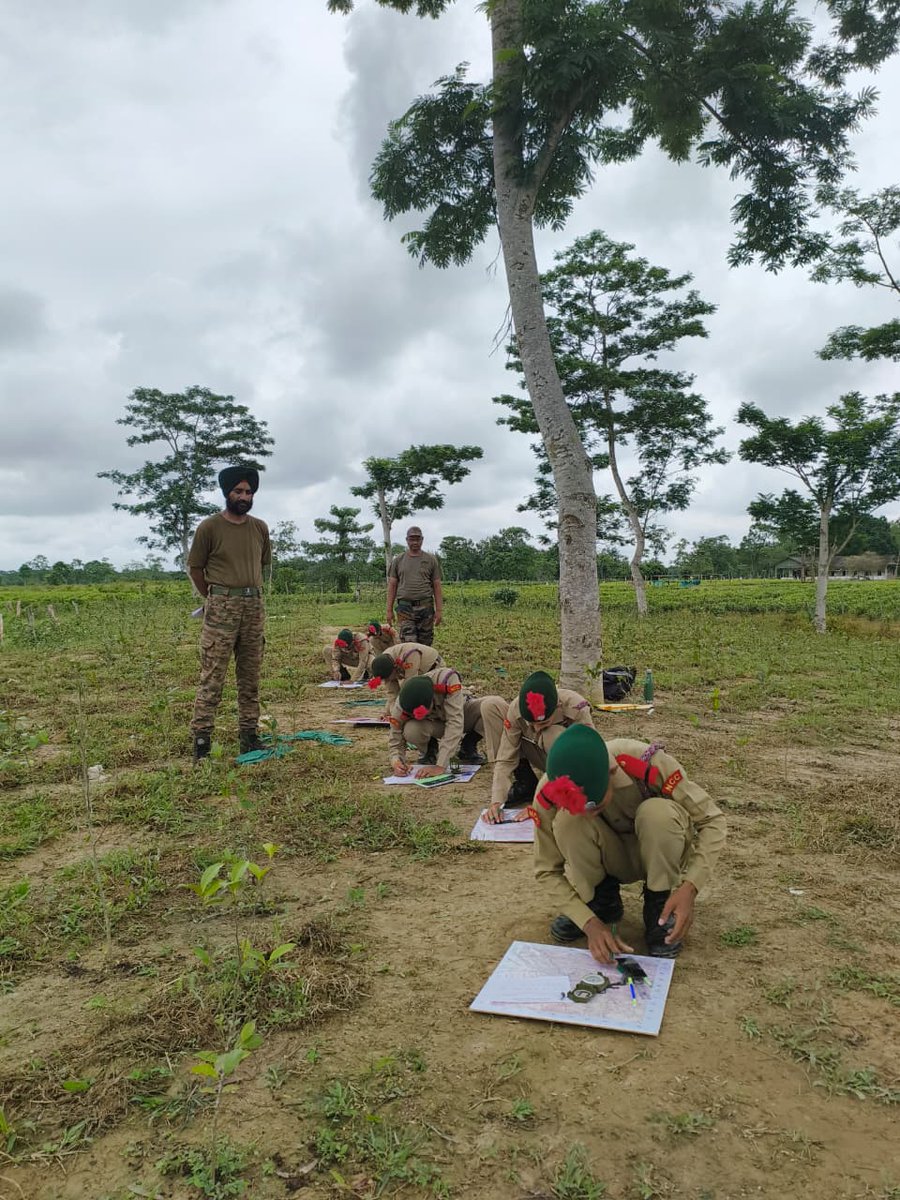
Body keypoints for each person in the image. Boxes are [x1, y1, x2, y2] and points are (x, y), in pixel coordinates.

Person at [530, 724, 726, 962]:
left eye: (595, 805)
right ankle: (601, 903)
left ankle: (659, 908)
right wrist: (588, 922)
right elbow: (546, 869)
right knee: (568, 822)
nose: (589, 813)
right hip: (609, 857)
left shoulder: (645, 762)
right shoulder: (548, 792)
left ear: (611, 771)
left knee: (657, 813)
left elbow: (712, 820)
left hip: (658, 852)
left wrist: (690, 887)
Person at [187, 466, 271, 761]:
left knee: (250, 677)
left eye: (248, 492)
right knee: (213, 676)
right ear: (226, 493)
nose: (244, 497)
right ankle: (202, 743)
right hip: (222, 605)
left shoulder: (260, 527)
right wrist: (211, 596)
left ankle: (249, 737)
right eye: (238, 491)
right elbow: (195, 568)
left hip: (254, 606)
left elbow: (261, 564)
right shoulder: (209, 528)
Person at [480, 670, 594, 822]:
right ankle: (525, 781)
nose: (537, 729)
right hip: (537, 754)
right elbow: (506, 758)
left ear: (557, 707)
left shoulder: (576, 706)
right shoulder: (516, 709)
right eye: (531, 724)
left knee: (551, 733)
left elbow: (591, 756)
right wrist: (496, 802)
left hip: (570, 764)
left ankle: (560, 791)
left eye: (543, 723)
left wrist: (545, 804)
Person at [387, 670, 485, 778]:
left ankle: (468, 745)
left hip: (461, 714)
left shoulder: (447, 680)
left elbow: (454, 722)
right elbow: (395, 735)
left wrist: (441, 765)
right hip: (436, 726)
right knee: (411, 729)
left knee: (491, 706)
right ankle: (430, 750)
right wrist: (396, 761)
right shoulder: (400, 705)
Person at [386, 527, 442, 646]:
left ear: (422, 540)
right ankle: (412, 664)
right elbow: (392, 585)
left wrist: (439, 610)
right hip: (405, 608)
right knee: (409, 644)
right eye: (412, 539)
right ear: (407, 540)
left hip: (426, 608)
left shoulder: (431, 560)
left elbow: (437, 585)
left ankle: (425, 664)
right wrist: (389, 610)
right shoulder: (398, 560)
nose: (415, 542)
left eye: (418, 539)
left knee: (425, 644)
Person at [367, 642, 445, 711]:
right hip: (417, 672)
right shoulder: (384, 664)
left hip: (434, 668)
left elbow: (410, 686)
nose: (388, 680)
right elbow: (392, 693)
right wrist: (389, 712)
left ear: (394, 668)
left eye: (388, 677)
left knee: (430, 700)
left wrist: (402, 712)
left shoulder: (410, 655)